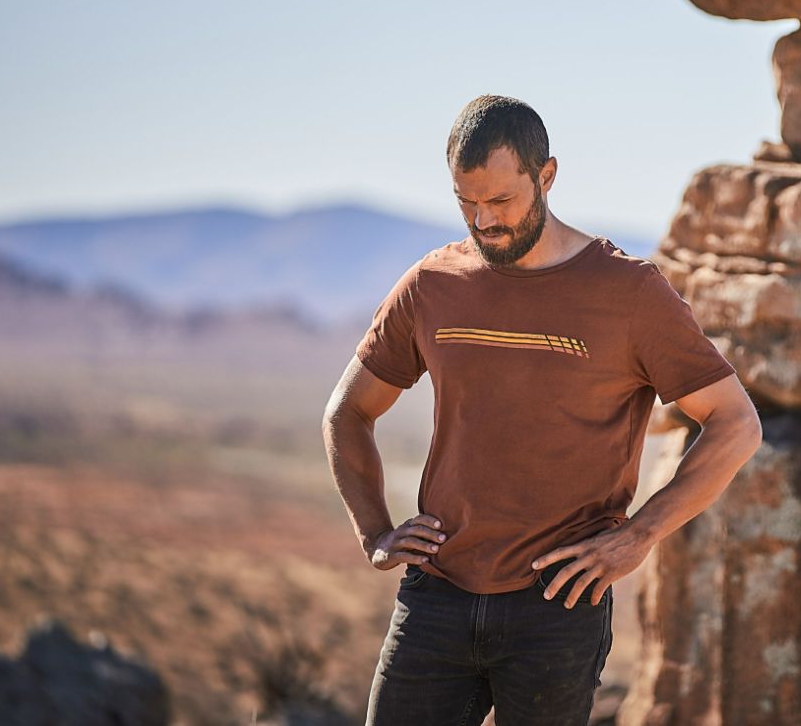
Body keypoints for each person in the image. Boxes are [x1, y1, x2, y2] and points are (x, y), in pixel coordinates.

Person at [323, 94, 762, 726]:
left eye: (501, 200)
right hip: (436, 597)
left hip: (557, 605)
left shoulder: (629, 293)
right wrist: (375, 533)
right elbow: (347, 413)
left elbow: (735, 423)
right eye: (467, 202)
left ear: (546, 175)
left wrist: (639, 536)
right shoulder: (431, 286)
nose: (484, 220)